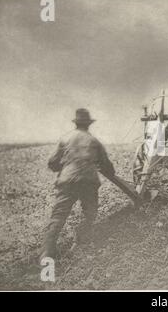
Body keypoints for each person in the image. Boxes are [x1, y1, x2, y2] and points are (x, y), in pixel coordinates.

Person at [40, 108, 115, 261]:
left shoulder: (65, 139)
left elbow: (52, 163)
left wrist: (67, 167)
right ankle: (79, 241)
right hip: (88, 182)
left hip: (67, 182)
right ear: (88, 124)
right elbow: (107, 167)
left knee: (58, 216)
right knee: (90, 213)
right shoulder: (95, 142)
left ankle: (46, 255)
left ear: (76, 123)